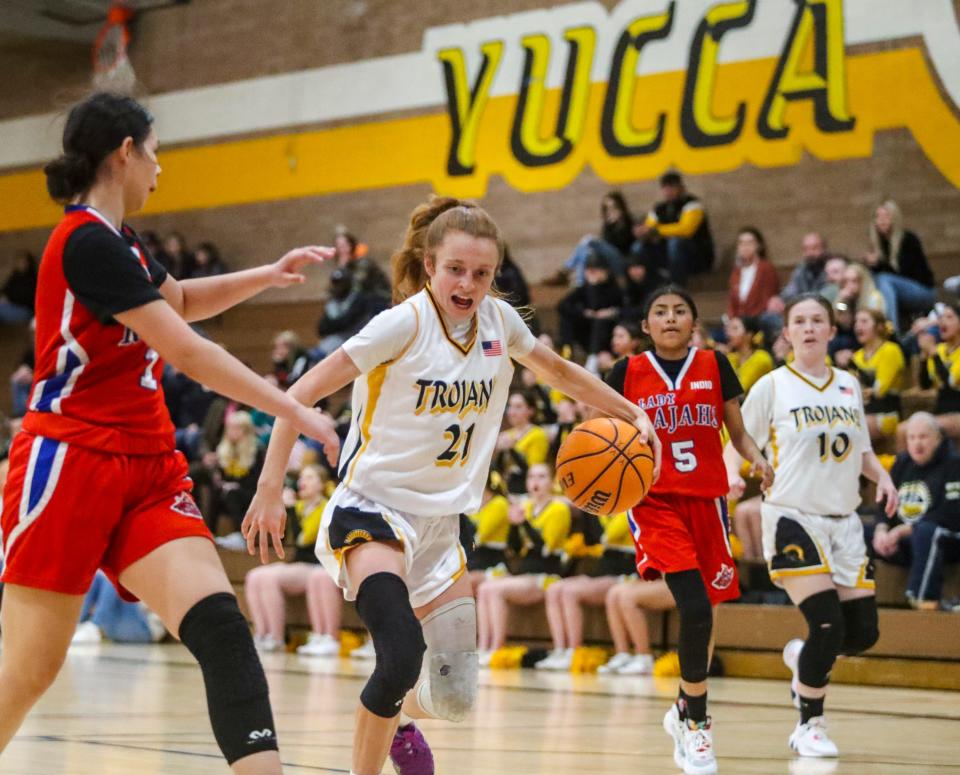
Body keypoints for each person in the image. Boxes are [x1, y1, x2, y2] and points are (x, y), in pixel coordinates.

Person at [241, 196, 660, 775]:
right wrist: (268, 489)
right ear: (430, 264)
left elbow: (561, 373)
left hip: (441, 526)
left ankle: (397, 718)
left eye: (482, 273)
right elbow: (298, 395)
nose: (468, 283)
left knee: (457, 694)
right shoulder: (402, 324)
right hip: (373, 511)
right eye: (457, 270)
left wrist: (633, 414)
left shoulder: (500, 323)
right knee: (399, 656)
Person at [0, 92, 341, 774]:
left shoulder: (120, 243)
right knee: (30, 668)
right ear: (125, 152)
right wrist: (293, 407)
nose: (160, 168)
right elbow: (186, 348)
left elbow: (179, 299)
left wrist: (268, 277)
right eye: (154, 153)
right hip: (70, 459)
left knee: (219, 625)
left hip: (146, 464)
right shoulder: (84, 241)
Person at [606, 284, 773, 775]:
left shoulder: (715, 365)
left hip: (709, 502)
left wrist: (758, 459)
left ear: (694, 321)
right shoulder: (627, 373)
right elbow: (604, 437)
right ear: (646, 325)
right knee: (694, 606)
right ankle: (698, 723)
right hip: (655, 502)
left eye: (680, 311)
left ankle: (683, 707)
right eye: (660, 311)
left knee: (708, 610)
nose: (671, 318)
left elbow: (736, 432)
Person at [726, 293, 898, 759]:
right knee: (827, 626)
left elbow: (860, 449)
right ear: (786, 332)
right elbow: (739, 440)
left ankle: (802, 658)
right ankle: (809, 725)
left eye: (816, 320)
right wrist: (728, 482)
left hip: (844, 523)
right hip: (791, 516)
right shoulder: (773, 386)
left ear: (829, 330)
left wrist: (882, 476)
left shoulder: (847, 385)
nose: (807, 328)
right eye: (798, 321)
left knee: (862, 634)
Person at [476, 463, 571, 665]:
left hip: (547, 574)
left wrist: (523, 523)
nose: (535, 482)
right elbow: (515, 547)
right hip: (526, 573)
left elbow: (545, 546)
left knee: (493, 590)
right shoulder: (525, 507)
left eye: (542, 476)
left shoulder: (559, 508)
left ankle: (496, 647)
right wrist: (513, 526)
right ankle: (484, 646)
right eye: (532, 477)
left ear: (551, 481)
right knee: (485, 589)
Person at [244, 465, 341, 654]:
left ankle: (323, 636)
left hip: (318, 563)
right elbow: (279, 537)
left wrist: (290, 510)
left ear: (321, 485)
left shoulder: (326, 506)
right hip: (299, 563)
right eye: (302, 478)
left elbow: (304, 537)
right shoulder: (298, 506)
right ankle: (264, 634)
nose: (303, 482)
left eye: (310, 477)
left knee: (314, 577)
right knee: (255, 576)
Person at [868, 413, 960, 609]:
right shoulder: (902, 463)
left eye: (923, 437)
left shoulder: (954, 464)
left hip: (948, 540)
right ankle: (854, 598)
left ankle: (923, 599)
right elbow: (885, 501)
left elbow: (952, 514)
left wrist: (903, 530)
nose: (917, 444)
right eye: (912, 438)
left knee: (926, 531)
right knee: (856, 531)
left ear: (938, 438)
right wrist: (881, 530)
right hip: (906, 542)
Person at [535, 509, 638, 671]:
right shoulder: (603, 510)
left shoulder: (628, 509)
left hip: (626, 572)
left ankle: (575, 650)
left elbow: (607, 535)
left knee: (570, 592)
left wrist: (589, 507)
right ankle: (560, 649)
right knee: (555, 589)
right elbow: (590, 540)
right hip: (604, 570)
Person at [633, 172, 715, 285]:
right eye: (665, 188)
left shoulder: (692, 204)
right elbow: (649, 226)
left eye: (672, 187)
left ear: (681, 188)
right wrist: (642, 232)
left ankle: (677, 284)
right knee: (638, 247)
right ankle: (651, 285)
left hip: (696, 255)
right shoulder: (659, 208)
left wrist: (657, 231)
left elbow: (686, 230)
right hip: (667, 254)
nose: (668, 191)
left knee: (675, 242)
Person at [865, 200, 935, 332]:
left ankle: (891, 331)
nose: (882, 220)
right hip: (899, 292)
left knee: (883, 279)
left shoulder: (907, 239)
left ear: (894, 218)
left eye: (886, 216)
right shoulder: (878, 245)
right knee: (874, 281)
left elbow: (904, 272)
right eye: (878, 217)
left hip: (923, 291)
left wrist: (878, 264)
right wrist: (873, 265)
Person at [557, 251, 624, 373]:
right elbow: (562, 305)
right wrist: (583, 312)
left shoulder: (614, 288)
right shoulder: (585, 288)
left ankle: (593, 359)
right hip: (588, 332)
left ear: (605, 271)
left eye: (596, 270)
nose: (592, 274)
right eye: (589, 270)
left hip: (608, 333)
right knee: (567, 319)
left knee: (600, 321)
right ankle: (567, 351)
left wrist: (611, 312)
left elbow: (622, 308)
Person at [598, 577, 675, 675]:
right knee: (613, 593)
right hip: (660, 578)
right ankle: (623, 654)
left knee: (627, 597)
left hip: (682, 581)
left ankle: (644, 658)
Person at [849, 310, 906, 442]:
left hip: (888, 414)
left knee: (854, 428)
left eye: (864, 321)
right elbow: (850, 391)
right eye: (856, 321)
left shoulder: (891, 350)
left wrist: (860, 392)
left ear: (879, 327)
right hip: (864, 413)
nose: (858, 326)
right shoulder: (856, 356)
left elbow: (879, 390)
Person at [70, 569, 166, 645]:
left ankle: (94, 627)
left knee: (112, 577)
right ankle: (76, 626)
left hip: (147, 628)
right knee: (95, 576)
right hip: (128, 619)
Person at [561, 191, 635, 286]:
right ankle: (580, 284)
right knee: (584, 252)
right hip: (606, 260)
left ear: (621, 207)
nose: (610, 211)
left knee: (588, 240)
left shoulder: (629, 222)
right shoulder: (608, 226)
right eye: (606, 208)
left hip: (621, 258)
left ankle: (565, 271)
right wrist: (610, 226)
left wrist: (619, 223)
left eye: (613, 207)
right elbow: (605, 243)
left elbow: (622, 243)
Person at [918, 301, 960, 443]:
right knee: (904, 430)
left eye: (949, 317)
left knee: (925, 429)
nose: (942, 321)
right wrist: (924, 359)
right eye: (941, 318)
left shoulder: (937, 351)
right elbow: (926, 385)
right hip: (942, 411)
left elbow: (951, 383)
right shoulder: (940, 349)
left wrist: (933, 355)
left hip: (957, 411)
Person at [494, 391, 551, 495]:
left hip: (527, 493)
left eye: (518, 407)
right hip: (506, 492)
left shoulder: (538, 434)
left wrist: (512, 450)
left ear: (531, 410)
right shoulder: (505, 435)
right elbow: (497, 471)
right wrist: (497, 452)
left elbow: (534, 472)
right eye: (510, 406)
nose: (512, 412)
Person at [767, 233, 832, 315]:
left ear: (824, 249)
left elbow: (826, 297)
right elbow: (790, 291)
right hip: (801, 312)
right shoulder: (802, 269)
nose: (810, 253)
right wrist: (778, 300)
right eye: (806, 249)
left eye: (814, 248)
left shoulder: (832, 268)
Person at [726, 228, 780, 320]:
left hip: (759, 320)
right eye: (741, 243)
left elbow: (768, 299)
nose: (745, 247)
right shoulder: (736, 273)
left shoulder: (766, 268)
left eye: (749, 243)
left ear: (758, 245)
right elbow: (732, 302)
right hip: (740, 322)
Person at [724, 316, 774, 394]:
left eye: (734, 329)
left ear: (749, 334)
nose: (728, 334)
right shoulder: (732, 357)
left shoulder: (761, 358)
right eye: (728, 329)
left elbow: (740, 389)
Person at [0, 251, 37, 325]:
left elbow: (28, 297)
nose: (20, 264)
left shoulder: (32, 279)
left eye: (23, 261)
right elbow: (5, 289)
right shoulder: (15, 276)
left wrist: (9, 298)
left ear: (29, 263)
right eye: (18, 261)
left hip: (25, 310)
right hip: (9, 307)